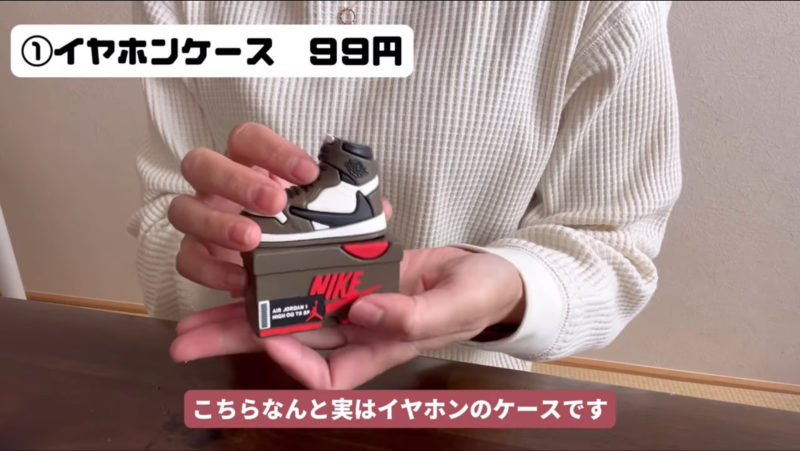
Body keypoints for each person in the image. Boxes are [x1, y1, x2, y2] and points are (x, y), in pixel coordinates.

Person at [128, 1, 682, 389]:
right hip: (241, 385)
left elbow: (617, 249)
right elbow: (162, 216)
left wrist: (510, 291)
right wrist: (213, 253)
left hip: (462, 399)